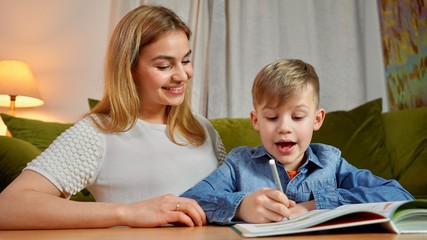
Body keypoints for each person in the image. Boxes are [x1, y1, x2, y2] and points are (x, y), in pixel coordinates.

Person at [0, 5, 226, 229]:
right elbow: (7, 207)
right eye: (164, 66)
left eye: (185, 61)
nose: (182, 75)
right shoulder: (97, 133)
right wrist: (128, 212)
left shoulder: (202, 128)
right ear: (129, 69)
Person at [181, 59, 414, 224]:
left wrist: (314, 205)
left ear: (317, 119)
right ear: (256, 120)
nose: (284, 127)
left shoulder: (330, 162)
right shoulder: (239, 164)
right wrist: (242, 207)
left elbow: (398, 194)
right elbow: (190, 201)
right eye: (272, 117)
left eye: (298, 117)